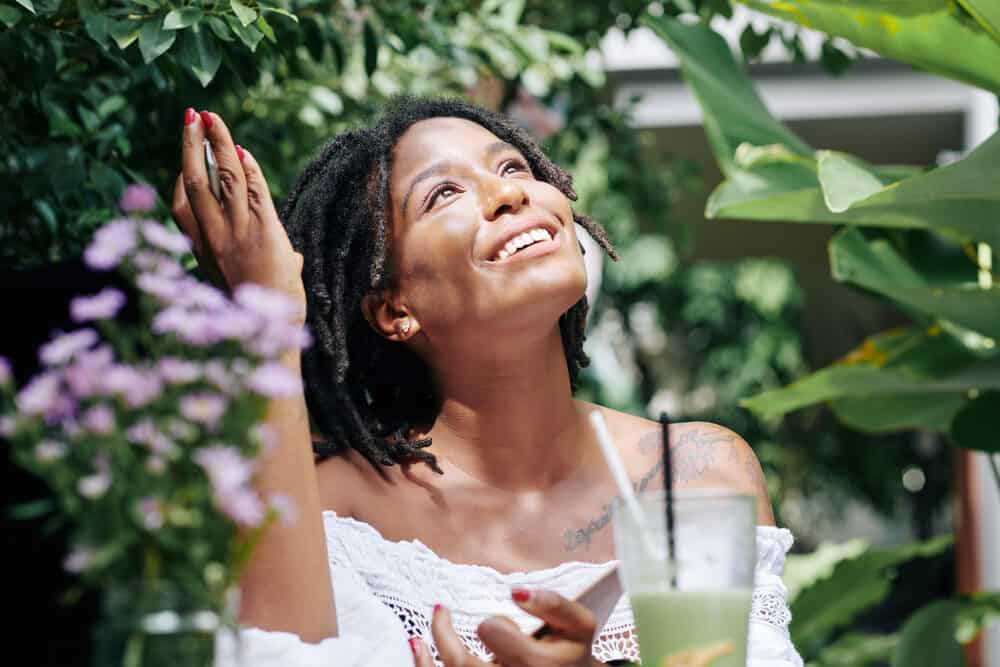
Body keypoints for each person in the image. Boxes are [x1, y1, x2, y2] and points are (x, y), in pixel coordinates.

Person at [172, 97, 802, 666]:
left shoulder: (699, 471)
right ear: (395, 310)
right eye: (442, 194)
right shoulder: (334, 511)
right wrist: (269, 322)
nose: (510, 196)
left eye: (512, 168)